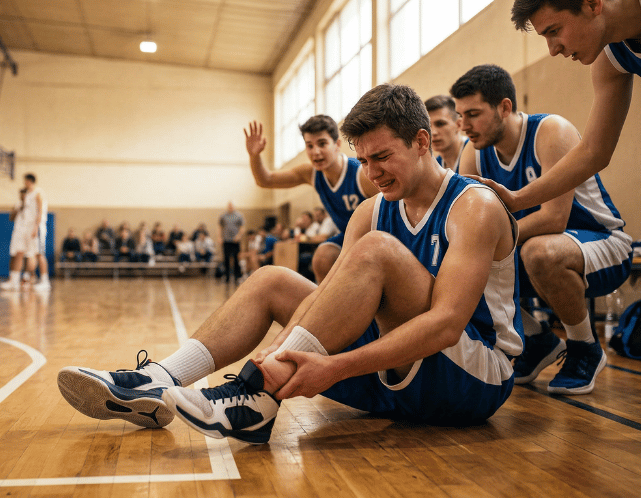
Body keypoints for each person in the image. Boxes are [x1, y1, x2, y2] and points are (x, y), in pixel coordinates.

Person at [58, 84, 523, 446]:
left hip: (473, 383)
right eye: (364, 161)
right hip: (393, 380)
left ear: (422, 141)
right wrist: (277, 352)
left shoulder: (473, 206)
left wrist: (335, 366)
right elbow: (325, 301)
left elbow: (445, 325)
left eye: (383, 156)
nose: (373, 172)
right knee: (273, 280)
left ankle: (259, 393)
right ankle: (158, 383)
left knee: (374, 250)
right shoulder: (371, 208)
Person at [452, 64, 633, 394]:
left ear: (504, 107)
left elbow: (554, 219)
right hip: (534, 251)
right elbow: (469, 221)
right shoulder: (472, 154)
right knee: (461, 264)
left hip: (605, 243)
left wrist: (488, 243)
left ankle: (584, 349)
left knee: (538, 251)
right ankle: (537, 339)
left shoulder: (552, 131)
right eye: (460, 116)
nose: (463, 126)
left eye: (473, 114)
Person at [476, 0, 641, 212]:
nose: (552, 50)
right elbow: (593, 152)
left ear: (593, 4)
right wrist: (517, 199)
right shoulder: (610, 60)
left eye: (554, 31)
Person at [245, 116, 378, 282]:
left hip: (377, 236)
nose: (315, 151)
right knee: (322, 258)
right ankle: (329, 305)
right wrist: (254, 156)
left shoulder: (361, 174)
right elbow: (265, 180)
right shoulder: (311, 173)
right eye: (310, 145)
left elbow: (394, 207)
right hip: (348, 236)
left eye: (322, 144)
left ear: (337, 145)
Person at [424, 95, 469, 172]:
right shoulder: (436, 165)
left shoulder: (479, 151)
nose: (433, 132)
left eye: (440, 124)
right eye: (427, 126)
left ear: (459, 124)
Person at [24, 174, 50, 291]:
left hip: (38, 227)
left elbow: (40, 212)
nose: (24, 183)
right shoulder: (28, 195)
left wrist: (36, 227)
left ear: (29, 181)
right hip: (31, 227)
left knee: (40, 254)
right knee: (33, 254)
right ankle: (29, 277)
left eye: (25, 180)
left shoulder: (38, 193)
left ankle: (45, 281)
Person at [0, 188, 30, 291]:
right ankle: (13, 279)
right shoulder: (17, 204)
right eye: (20, 195)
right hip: (17, 232)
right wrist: (18, 209)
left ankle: (25, 278)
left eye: (23, 195)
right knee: (13, 255)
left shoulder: (31, 204)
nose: (21, 196)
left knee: (25, 256)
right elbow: (11, 218)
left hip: (27, 233)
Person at [219, 202, 245, 282]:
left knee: (236, 259)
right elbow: (220, 227)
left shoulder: (239, 215)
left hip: (235, 241)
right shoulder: (223, 216)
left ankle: (237, 277)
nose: (230, 207)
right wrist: (219, 237)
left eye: (231, 206)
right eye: (229, 206)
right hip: (226, 240)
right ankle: (227, 277)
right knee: (226, 259)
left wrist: (239, 236)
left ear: (234, 206)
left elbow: (242, 227)